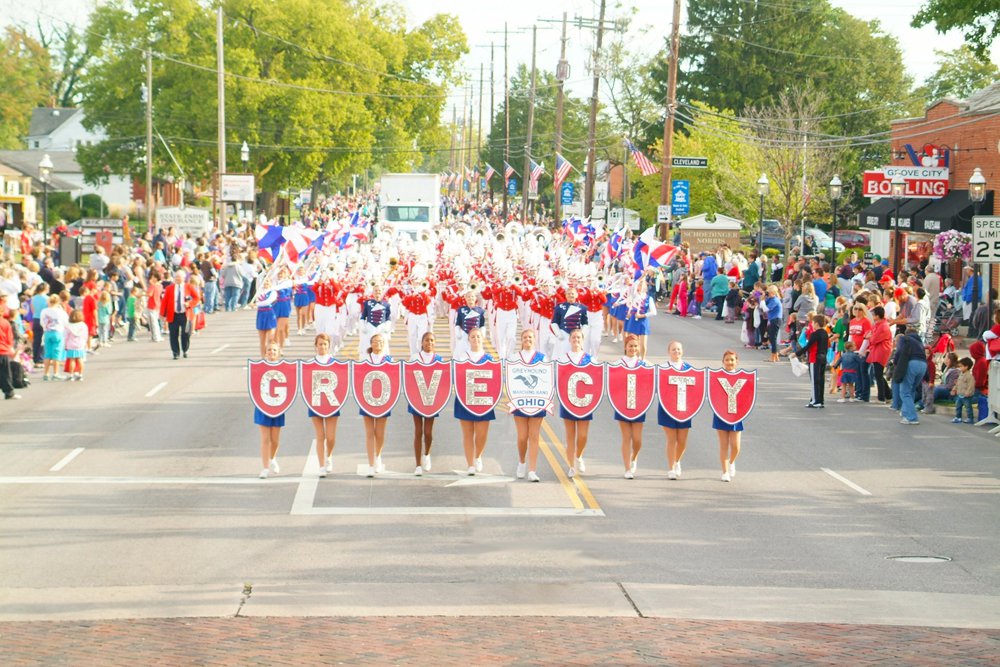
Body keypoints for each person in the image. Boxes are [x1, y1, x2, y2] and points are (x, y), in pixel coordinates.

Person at [454, 327, 494, 476]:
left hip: (484, 399)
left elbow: (494, 380)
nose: (476, 339)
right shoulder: (463, 357)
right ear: (468, 340)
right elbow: (457, 376)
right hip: (465, 398)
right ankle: (470, 464)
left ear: (482, 339)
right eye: (473, 337)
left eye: (478, 337)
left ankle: (478, 456)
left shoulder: (488, 358)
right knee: (467, 433)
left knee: (482, 434)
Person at [512, 328, 547, 482]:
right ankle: (522, 462)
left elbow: (546, 379)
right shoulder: (515, 357)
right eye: (525, 337)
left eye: (530, 337)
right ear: (521, 340)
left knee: (534, 436)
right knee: (522, 437)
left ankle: (532, 470)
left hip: (537, 401)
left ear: (535, 339)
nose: (528, 340)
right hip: (520, 401)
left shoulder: (542, 358)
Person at [658, 340, 692, 480]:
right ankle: (671, 467)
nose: (676, 352)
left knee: (682, 440)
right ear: (668, 352)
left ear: (682, 351)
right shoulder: (662, 368)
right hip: (667, 407)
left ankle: (677, 461)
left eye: (678, 349)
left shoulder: (689, 369)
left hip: (684, 408)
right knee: (671, 439)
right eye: (673, 349)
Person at [410, 331, 442, 476]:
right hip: (417, 398)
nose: (429, 343)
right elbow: (409, 375)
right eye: (427, 340)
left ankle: (427, 454)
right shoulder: (415, 358)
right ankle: (417, 465)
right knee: (418, 431)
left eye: (432, 341)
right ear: (422, 343)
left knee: (428, 432)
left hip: (431, 399)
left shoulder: (439, 359)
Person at [361, 333, 393, 478]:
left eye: (380, 341)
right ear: (371, 343)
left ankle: (378, 456)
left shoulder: (389, 359)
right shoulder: (365, 359)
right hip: (367, 399)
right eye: (375, 341)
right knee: (369, 433)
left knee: (379, 432)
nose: (378, 344)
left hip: (383, 399)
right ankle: (370, 463)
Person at [616, 334, 647, 479]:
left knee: (637, 439)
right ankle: (627, 468)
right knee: (626, 437)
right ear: (625, 347)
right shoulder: (618, 363)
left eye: (635, 346)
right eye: (630, 346)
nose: (633, 348)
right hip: (622, 404)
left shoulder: (645, 364)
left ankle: (634, 457)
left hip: (639, 405)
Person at [310, 333, 340, 479]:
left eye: (325, 344)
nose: (322, 347)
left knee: (331, 436)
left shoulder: (335, 362)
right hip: (315, 402)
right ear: (316, 346)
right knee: (320, 436)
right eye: (320, 344)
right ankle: (321, 465)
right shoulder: (310, 363)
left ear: (329, 346)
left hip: (331, 403)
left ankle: (329, 455)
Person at [256, 340, 286, 479]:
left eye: (274, 350)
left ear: (278, 352)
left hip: (278, 406)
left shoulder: (283, 367)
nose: (271, 353)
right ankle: (265, 467)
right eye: (269, 350)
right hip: (263, 406)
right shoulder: (260, 367)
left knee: (275, 440)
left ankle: (272, 458)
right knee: (265, 439)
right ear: (265, 352)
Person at [716, 349, 744, 482]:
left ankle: (732, 462)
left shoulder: (742, 377)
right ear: (723, 362)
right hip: (721, 413)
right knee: (723, 445)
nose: (729, 362)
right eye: (727, 360)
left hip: (736, 415)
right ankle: (725, 471)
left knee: (736, 446)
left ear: (736, 362)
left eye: (732, 360)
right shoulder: (717, 376)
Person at [160, 269, 201, 360]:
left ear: (183, 278)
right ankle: (175, 352)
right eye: (176, 277)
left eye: (179, 277)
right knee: (173, 334)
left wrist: (189, 304)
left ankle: (185, 350)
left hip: (185, 314)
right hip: (173, 314)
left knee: (185, 333)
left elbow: (197, 298)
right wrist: (162, 314)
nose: (177, 278)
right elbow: (164, 302)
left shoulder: (188, 287)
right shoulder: (169, 288)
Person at [891, 325, 927, 425]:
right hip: (923, 365)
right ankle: (906, 413)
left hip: (911, 363)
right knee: (911, 390)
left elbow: (899, 352)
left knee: (905, 391)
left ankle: (912, 417)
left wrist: (896, 362)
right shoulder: (920, 342)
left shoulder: (904, 339)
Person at [797, 313, 829, 408]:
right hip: (823, 357)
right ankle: (820, 399)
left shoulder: (814, 334)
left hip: (814, 358)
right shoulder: (825, 333)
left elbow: (808, 346)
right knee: (820, 380)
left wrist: (796, 354)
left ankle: (815, 400)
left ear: (816, 324)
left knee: (815, 380)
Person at [550, 285, 588, 361]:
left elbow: (585, 323)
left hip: (576, 335)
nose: (571, 295)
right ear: (566, 295)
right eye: (569, 293)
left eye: (572, 293)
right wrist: (558, 334)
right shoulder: (559, 307)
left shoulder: (582, 308)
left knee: (576, 355)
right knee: (562, 355)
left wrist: (582, 334)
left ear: (576, 295)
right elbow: (554, 322)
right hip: (563, 334)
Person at [867, 306, 893, 403]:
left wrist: (869, 337)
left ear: (877, 316)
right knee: (878, 374)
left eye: (873, 315)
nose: (872, 316)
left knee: (878, 374)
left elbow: (874, 339)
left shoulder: (883, 326)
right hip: (877, 351)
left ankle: (881, 397)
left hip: (881, 351)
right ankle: (888, 394)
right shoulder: (878, 324)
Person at [359, 283, 392, 361]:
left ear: (382, 292)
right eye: (376, 290)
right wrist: (363, 326)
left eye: (379, 290)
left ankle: (385, 361)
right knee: (368, 344)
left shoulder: (386, 304)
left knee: (383, 345)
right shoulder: (367, 303)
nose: (378, 292)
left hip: (381, 328)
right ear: (373, 292)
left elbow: (388, 318)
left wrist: (387, 326)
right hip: (370, 327)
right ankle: (367, 361)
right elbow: (363, 316)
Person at [40, 294, 69, 381]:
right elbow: (66, 323)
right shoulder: (61, 312)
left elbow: (42, 322)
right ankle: (56, 373)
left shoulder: (44, 311)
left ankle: (46, 373)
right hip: (58, 332)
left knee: (47, 354)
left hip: (47, 332)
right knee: (56, 353)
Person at [454, 289, 486, 361]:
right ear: (465, 298)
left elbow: (482, 324)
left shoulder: (480, 310)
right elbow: (458, 323)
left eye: (472, 296)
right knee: (460, 353)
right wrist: (458, 332)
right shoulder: (461, 310)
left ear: (475, 298)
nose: (470, 298)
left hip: (475, 336)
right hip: (465, 335)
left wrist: (482, 333)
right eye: (468, 297)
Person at [0, 303, 19, 400]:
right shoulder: (5, 323)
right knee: (5, 373)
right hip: (2, 350)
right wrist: (10, 348)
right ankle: (9, 392)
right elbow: (9, 338)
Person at [63, 309, 89, 381]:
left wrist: (65, 345)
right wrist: (85, 343)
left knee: (72, 360)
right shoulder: (83, 325)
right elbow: (85, 335)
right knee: (80, 359)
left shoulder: (68, 326)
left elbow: (65, 336)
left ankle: (71, 375)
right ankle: (80, 374)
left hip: (71, 345)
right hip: (80, 345)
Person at [951, 357, 976, 424]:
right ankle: (958, 417)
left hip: (966, 395)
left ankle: (970, 418)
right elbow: (958, 383)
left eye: (961, 366)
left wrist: (968, 392)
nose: (960, 368)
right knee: (958, 406)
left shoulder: (969, 376)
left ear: (966, 367)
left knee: (968, 407)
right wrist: (954, 389)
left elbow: (971, 385)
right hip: (960, 394)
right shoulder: (961, 375)